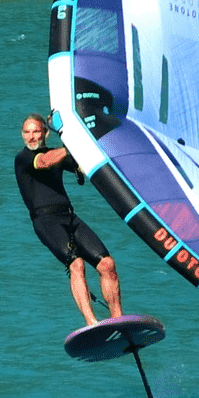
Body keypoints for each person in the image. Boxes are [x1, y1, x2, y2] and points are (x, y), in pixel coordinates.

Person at [14, 113, 123, 326]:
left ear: (45, 133)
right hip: (46, 222)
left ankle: (119, 320)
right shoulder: (23, 158)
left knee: (107, 265)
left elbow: (84, 165)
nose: (31, 137)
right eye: (27, 132)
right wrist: (70, 144)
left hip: (69, 217)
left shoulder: (57, 153)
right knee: (77, 264)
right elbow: (44, 162)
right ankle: (92, 323)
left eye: (36, 131)